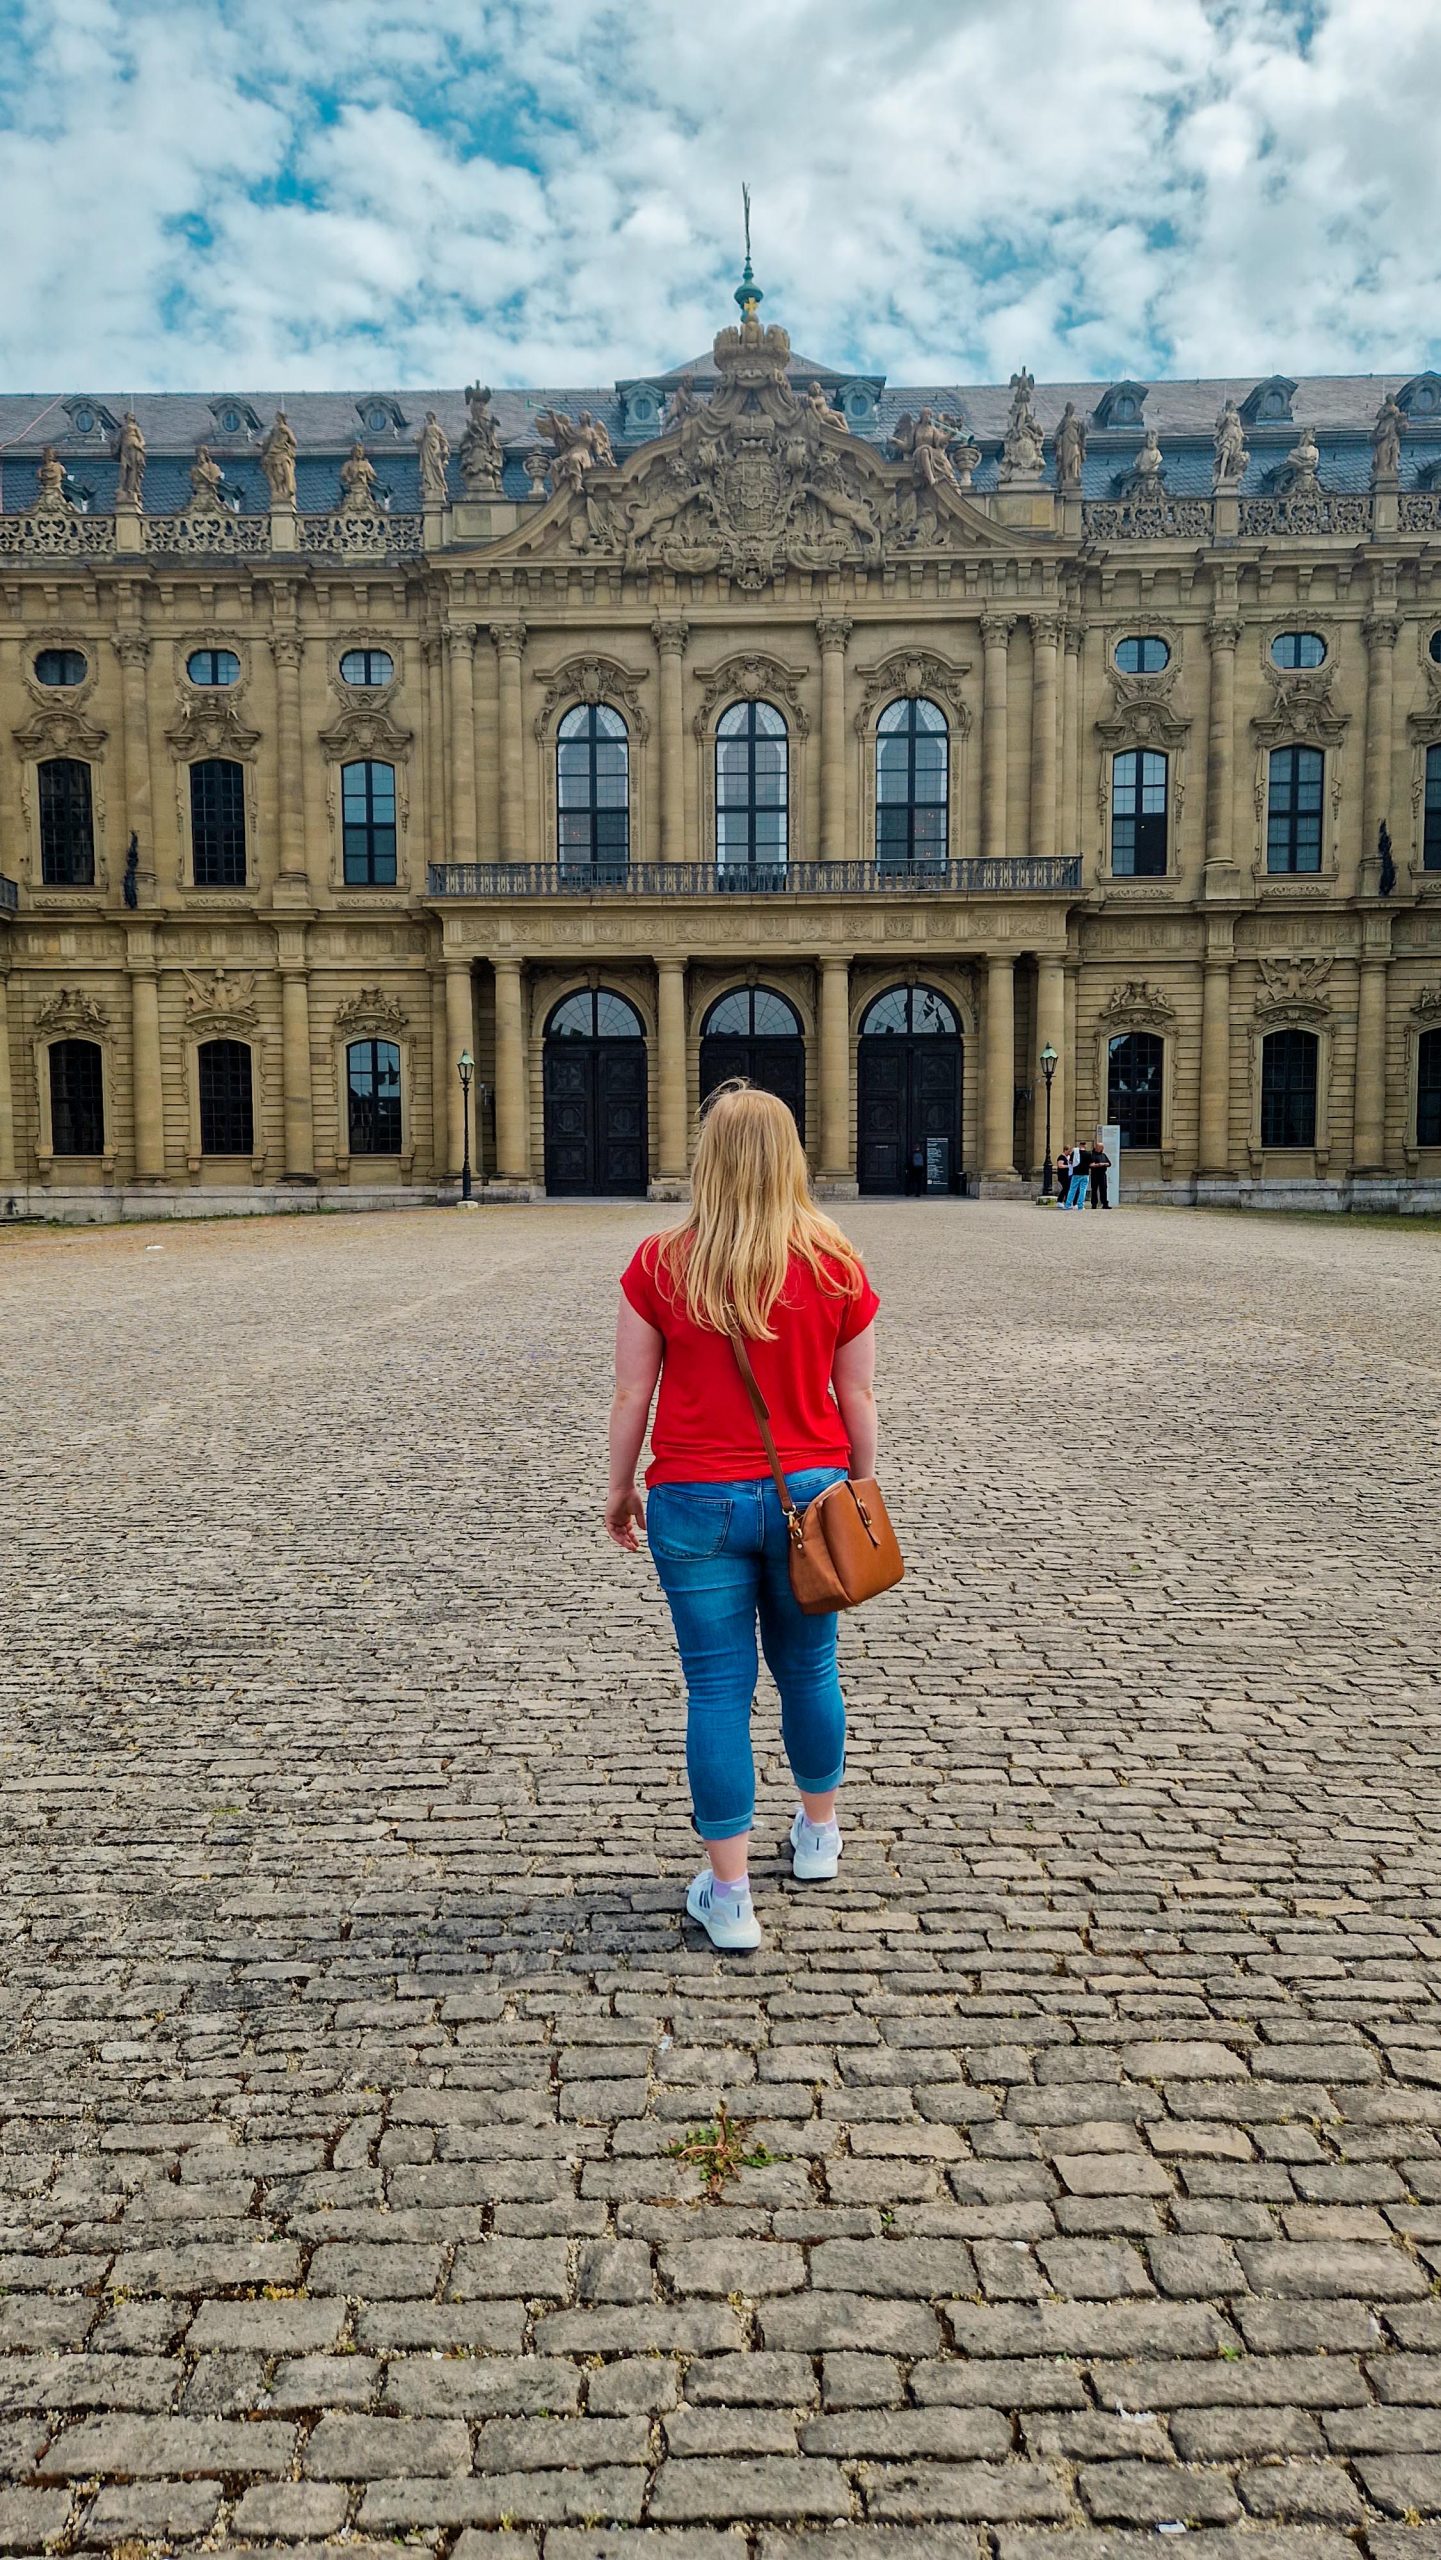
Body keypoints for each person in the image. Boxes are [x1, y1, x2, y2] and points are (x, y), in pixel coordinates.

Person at [605, 1082, 880, 1952]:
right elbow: (857, 1392)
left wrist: (618, 1488)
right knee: (810, 1672)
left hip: (694, 1502)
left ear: (706, 1161)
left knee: (716, 1690)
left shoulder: (659, 1262)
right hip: (813, 1491)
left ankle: (729, 1898)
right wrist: (856, 1491)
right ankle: (818, 1838)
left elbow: (630, 1391)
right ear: (791, 1158)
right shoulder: (835, 1259)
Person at [1064, 1145, 1090, 1210]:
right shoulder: (1088, 1154)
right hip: (1085, 1173)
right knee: (1083, 1190)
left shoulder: (1074, 1153)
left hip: (1076, 1173)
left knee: (1072, 1189)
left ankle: (1068, 1205)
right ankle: (1080, 1206)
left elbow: (1070, 1162)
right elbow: (1090, 1163)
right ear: (1085, 1147)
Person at [1089, 1135, 1112, 1210]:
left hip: (1102, 1174)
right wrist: (1098, 1165)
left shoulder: (1103, 1155)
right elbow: (1090, 1165)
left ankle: (1105, 1203)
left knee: (1104, 1188)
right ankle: (1094, 1204)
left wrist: (1104, 1164)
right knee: (1094, 1189)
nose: (1101, 1149)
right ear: (1096, 1147)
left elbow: (1109, 1163)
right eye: (1099, 1147)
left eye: (1101, 1147)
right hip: (1095, 1174)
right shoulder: (1092, 1155)